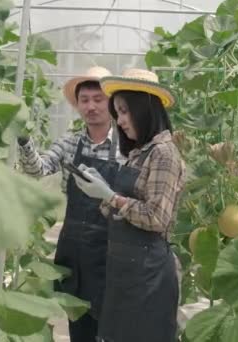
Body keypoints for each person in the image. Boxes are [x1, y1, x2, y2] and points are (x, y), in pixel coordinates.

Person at [72, 68, 186, 342]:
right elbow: (121, 212)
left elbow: (157, 217)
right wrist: (102, 190)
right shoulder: (138, 153)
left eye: (124, 111)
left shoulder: (163, 153)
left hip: (149, 273)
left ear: (143, 108)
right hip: (125, 269)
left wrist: (111, 196)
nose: (119, 120)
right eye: (118, 112)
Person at [17, 66, 125, 342]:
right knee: (79, 323)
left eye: (98, 99)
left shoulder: (127, 148)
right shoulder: (70, 143)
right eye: (84, 100)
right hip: (74, 248)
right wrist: (24, 141)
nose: (91, 106)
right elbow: (38, 170)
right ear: (77, 106)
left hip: (111, 249)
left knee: (112, 325)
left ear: (111, 104)